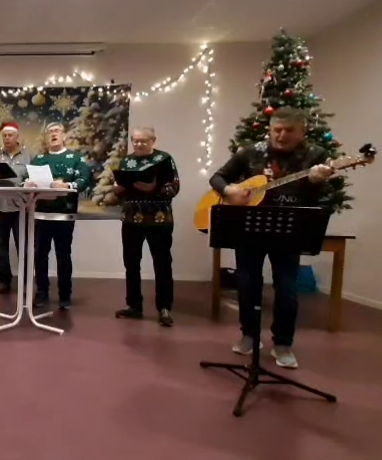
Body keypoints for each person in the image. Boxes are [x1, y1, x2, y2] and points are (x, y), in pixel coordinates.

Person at [209, 107, 334, 369]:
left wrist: (316, 181)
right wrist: (229, 190)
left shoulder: (316, 155)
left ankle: (283, 344)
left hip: (289, 229)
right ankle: (249, 336)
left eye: (289, 130)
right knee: (247, 283)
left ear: (302, 131)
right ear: (270, 129)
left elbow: (319, 197)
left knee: (287, 288)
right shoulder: (250, 151)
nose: (281, 135)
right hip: (249, 227)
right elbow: (217, 178)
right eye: (277, 130)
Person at [113, 126, 180, 327]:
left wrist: (154, 188)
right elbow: (118, 189)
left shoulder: (164, 159)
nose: (139, 144)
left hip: (159, 219)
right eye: (135, 140)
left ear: (153, 140)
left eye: (143, 140)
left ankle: (164, 308)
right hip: (131, 219)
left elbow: (174, 187)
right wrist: (119, 188)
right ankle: (134, 305)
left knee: (162, 263)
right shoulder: (126, 161)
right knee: (131, 263)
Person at [25, 123, 90, 310]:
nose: (53, 134)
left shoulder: (75, 158)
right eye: (50, 132)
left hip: (64, 215)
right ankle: (42, 293)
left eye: (57, 131)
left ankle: (65, 296)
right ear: (46, 138)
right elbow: (26, 179)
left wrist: (67, 186)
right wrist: (27, 184)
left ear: (64, 136)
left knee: (63, 255)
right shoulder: (39, 159)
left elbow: (84, 179)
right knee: (40, 255)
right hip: (41, 215)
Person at [0, 122, 31, 294]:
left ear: (17, 137)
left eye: (10, 135)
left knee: (23, 246)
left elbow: (33, 178)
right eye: (4, 136)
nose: (7, 138)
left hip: (20, 207)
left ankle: (25, 283)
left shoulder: (27, 156)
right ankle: (4, 281)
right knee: (0, 245)